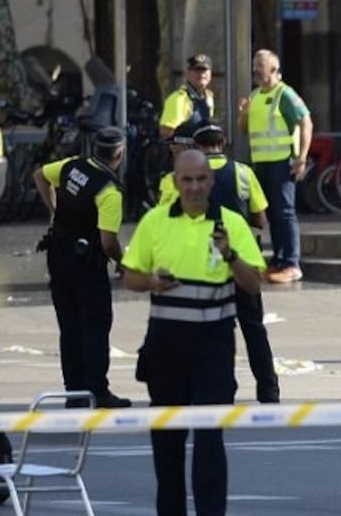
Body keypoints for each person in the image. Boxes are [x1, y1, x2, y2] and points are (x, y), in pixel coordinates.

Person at [121, 149, 266, 515]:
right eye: (187, 179)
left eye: (201, 179)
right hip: (166, 349)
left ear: (212, 181)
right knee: (167, 445)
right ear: (175, 182)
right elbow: (130, 277)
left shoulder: (231, 224)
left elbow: (253, 284)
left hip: (212, 349)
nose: (195, 187)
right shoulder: (155, 222)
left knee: (209, 441)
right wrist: (153, 281)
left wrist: (231, 255)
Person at [157, 121, 280, 403]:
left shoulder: (182, 177)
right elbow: (261, 218)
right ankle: (268, 389)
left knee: (207, 330)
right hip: (240, 260)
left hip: (200, 265)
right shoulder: (243, 172)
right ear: (223, 144)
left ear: (197, 148)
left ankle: (212, 387)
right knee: (253, 327)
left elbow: (166, 219)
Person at [31, 126, 132, 409]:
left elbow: (39, 175)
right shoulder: (109, 191)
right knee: (95, 326)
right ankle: (97, 391)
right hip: (86, 264)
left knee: (70, 326)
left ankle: (74, 392)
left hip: (58, 255)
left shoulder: (72, 166)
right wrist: (122, 263)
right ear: (120, 154)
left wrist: (54, 212)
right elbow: (108, 241)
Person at [237, 48, 313, 284]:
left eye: (261, 65)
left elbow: (306, 122)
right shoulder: (256, 95)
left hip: (282, 162)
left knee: (284, 212)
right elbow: (243, 130)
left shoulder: (285, 94)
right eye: (255, 66)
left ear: (274, 69)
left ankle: (292, 263)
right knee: (271, 213)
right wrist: (243, 114)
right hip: (262, 164)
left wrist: (301, 157)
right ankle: (279, 260)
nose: (256, 70)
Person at [159, 53, 216, 140]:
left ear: (210, 74)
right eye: (196, 70)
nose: (201, 74)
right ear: (187, 73)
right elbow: (166, 132)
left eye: (204, 70)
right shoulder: (177, 99)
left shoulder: (208, 98)